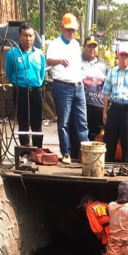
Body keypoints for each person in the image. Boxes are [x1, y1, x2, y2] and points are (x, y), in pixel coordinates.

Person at [46, 13, 88, 164]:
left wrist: (81, 85)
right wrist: (60, 60)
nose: (72, 33)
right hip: (62, 86)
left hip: (77, 85)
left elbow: (78, 67)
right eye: (69, 30)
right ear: (62, 28)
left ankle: (85, 153)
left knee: (82, 122)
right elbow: (48, 60)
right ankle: (66, 153)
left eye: (74, 30)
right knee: (63, 122)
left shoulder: (76, 44)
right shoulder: (55, 44)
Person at [5, 22, 46, 148]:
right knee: (23, 122)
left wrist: (37, 83)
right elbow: (9, 73)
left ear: (34, 37)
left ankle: (38, 149)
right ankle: (24, 149)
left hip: (36, 91)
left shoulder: (39, 54)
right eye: (25, 35)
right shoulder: (12, 53)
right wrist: (18, 84)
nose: (28, 38)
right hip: (20, 91)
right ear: (20, 36)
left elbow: (42, 73)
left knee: (37, 123)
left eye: (30, 35)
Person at [81, 36, 110, 141]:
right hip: (82, 105)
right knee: (80, 135)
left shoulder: (105, 67)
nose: (92, 49)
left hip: (99, 107)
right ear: (84, 47)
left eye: (94, 46)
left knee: (96, 137)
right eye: (89, 46)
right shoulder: (77, 63)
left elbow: (109, 87)